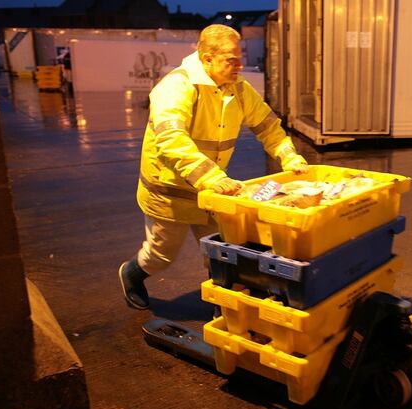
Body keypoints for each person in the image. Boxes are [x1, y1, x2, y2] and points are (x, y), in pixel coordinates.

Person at [119, 24, 308, 310]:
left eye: (239, 57)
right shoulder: (176, 86)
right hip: (170, 192)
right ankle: (132, 273)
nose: (239, 65)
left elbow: (268, 126)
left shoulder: (238, 88)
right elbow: (171, 138)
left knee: (222, 249)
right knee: (162, 254)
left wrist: (288, 155)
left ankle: (225, 304)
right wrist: (210, 176)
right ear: (206, 58)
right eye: (231, 59)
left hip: (211, 188)